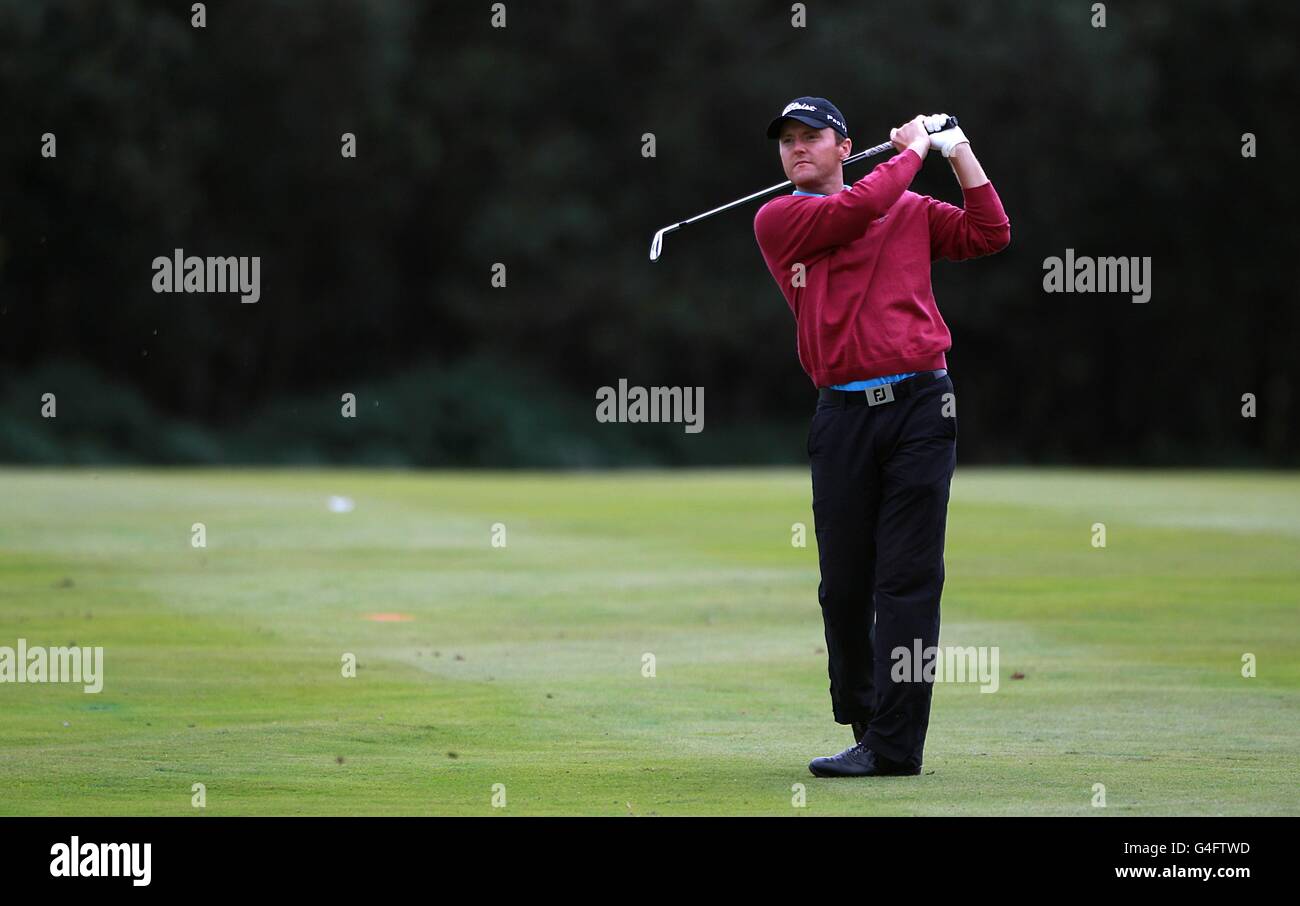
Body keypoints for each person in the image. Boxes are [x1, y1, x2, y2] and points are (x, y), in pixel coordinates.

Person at [753, 97, 1010, 777]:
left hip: (923, 407)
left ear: (845, 146)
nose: (798, 149)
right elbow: (855, 211)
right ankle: (868, 719)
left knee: (908, 582)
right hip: (842, 413)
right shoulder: (782, 218)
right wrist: (911, 151)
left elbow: (990, 232)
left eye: (813, 137)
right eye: (788, 141)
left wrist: (955, 148)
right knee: (843, 587)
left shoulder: (909, 208)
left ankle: (894, 746)